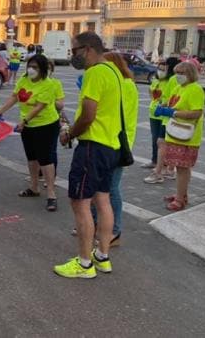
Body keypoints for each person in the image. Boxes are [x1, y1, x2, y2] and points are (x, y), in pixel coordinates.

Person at [54, 32, 121, 279]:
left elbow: (88, 115)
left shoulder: (93, 73)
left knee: (80, 202)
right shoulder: (113, 71)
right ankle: (102, 257)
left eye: (75, 51)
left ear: (89, 49)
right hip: (110, 146)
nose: (73, 56)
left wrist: (69, 134)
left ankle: (83, 264)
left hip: (92, 146)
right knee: (103, 201)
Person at [0, 54, 60, 211]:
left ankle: (51, 194)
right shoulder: (23, 80)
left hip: (46, 125)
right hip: (28, 126)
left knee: (45, 159)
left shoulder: (49, 84)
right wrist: (0, 111)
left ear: (43, 69)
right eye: (30, 66)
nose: (31, 70)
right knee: (32, 157)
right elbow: (15, 97)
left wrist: (24, 121)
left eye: (35, 67)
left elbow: (39, 107)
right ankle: (34, 187)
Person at [90, 52, 139, 247]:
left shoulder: (124, 85)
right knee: (98, 187)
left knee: (111, 188)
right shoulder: (122, 84)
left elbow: (108, 112)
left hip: (116, 142)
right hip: (109, 139)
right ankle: (94, 224)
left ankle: (115, 231)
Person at [154, 62, 205, 211]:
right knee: (180, 168)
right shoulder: (178, 88)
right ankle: (181, 194)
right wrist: (164, 108)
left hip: (187, 136)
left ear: (190, 74)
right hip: (175, 133)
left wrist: (173, 113)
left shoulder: (195, 89)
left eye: (182, 73)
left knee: (182, 168)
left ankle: (180, 199)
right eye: (177, 72)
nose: (178, 76)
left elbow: (196, 113)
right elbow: (173, 105)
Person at [144, 57, 180, 183]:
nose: (161, 67)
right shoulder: (159, 79)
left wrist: (165, 105)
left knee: (163, 143)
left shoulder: (174, 80)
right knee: (160, 141)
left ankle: (162, 170)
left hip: (168, 116)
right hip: (160, 113)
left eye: (164, 65)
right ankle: (164, 168)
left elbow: (173, 99)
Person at [143, 60, 167, 169]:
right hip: (153, 113)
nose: (161, 71)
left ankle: (163, 162)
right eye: (160, 69)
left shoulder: (170, 81)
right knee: (154, 138)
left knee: (162, 140)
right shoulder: (155, 80)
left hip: (164, 115)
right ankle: (154, 160)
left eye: (164, 69)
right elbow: (151, 92)